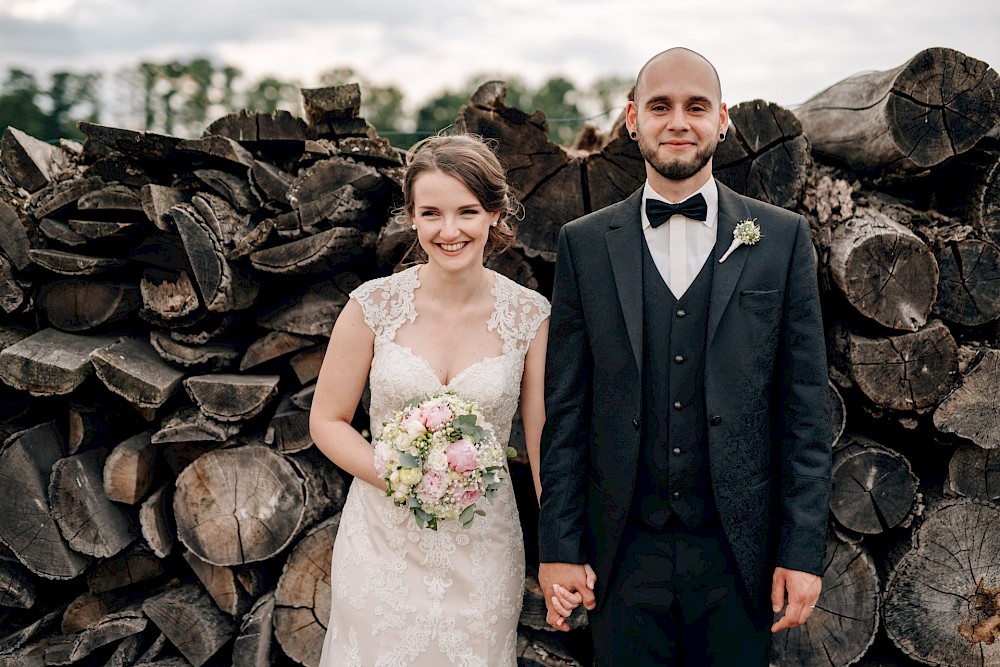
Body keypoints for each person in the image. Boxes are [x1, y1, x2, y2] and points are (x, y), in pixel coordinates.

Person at [537, 47, 832, 665]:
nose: (678, 122)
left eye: (696, 107)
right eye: (660, 106)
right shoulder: (584, 245)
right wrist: (559, 545)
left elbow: (805, 411)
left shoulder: (780, 239)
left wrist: (802, 552)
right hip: (622, 553)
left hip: (739, 556)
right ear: (631, 120)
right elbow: (566, 410)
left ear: (723, 119)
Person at [310, 134, 571, 666]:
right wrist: (403, 474)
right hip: (381, 542)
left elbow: (545, 444)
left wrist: (562, 550)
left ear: (496, 215)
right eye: (431, 213)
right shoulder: (372, 307)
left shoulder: (530, 317)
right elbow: (327, 420)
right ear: (411, 217)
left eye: (467, 212)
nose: (449, 231)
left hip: (483, 545)